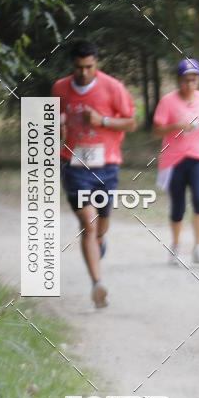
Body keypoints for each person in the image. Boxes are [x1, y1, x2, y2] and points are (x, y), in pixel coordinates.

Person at [52, 40, 137, 308]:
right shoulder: (60, 88)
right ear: (72, 66)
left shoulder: (113, 87)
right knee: (87, 223)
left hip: (106, 165)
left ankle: (98, 242)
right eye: (79, 68)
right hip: (74, 164)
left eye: (89, 67)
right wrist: (58, 127)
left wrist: (104, 122)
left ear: (96, 64)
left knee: (100, 226)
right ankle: (97, 284)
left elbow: (131, 122)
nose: (84, 73)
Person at [153, 59, 199, 264]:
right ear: (178, 80)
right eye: (185, 80)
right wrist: (176, 125)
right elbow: (156, 130)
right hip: (174, 159)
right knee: (178, 205)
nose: (190, 84)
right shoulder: (167, 101)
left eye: (193, 80)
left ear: (198, 79)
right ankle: (175, 246)